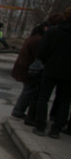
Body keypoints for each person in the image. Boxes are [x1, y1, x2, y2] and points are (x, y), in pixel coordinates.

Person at [33, 7, 71, 139]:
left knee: (43, 98)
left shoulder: (53, 31)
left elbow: (42, 50)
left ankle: (40, 126)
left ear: (65, 17)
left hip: (50, 70)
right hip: (69, 74)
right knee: (65, 101)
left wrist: (46, 61)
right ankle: (56, 130)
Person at [10, 22, 48, 124]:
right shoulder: (37, 40)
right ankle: (18, 111)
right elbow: (39, 56)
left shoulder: (34, 37)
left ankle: (18, 110)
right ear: (45, 28)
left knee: (27, 90)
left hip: (24, 68)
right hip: (28, 69)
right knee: (29, 91)